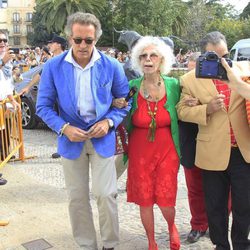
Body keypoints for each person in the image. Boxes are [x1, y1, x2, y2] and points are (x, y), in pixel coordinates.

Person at [36, 12, 130, 250]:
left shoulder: (112, 66)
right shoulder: (53, 66)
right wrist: (64, 128)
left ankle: (110, 244)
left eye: (88, 40)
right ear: (69, 38)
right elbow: (43, 106)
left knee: (105, 194)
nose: (83, 45)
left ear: (96, 40)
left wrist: (108, 123)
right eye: (78, 40)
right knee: (77, 199)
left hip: (103, 139)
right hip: (71, 141)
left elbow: (123, 102)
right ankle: (87, 245)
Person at [177, 31, 250, 250]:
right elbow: (181, 111)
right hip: (211, 153)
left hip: (243, 150)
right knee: (215, 206)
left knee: (244, 204)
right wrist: (205, 109)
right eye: (214, 57)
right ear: (202, 56)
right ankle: (221, 245)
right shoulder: (190, 79)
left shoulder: (244, 71)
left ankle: (241, 244)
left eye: (225, 55)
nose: (222, 62)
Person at [124, 36, 181, 250]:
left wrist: (191, 103)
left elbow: (185, 108)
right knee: (145, 198)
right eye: (143, 56)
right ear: (138, 61)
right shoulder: (131, 86)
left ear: (161, 60)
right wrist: (118, 105)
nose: (148, 59)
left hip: (167, 148)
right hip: (140, 150)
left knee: (166, 197)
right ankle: (151, 241)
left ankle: (171, 226)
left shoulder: (174, 85)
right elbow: (121, 110)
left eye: (153, 55)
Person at [178, 52, 209, 243]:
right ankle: (198, 224)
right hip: (190, 143)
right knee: (195, 187)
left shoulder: (220, 81)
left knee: (224, 188)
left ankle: (217, 222)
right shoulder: (179, 83)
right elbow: (174, 108)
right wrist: (184, 103)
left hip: (216, 143)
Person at [0, 29, 20, 184]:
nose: (2, 43)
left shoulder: (5, 62)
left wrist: (11, 100)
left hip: (3, 105)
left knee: (3, 136)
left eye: (5, 41)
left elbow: (4, 85)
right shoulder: (3, 61)